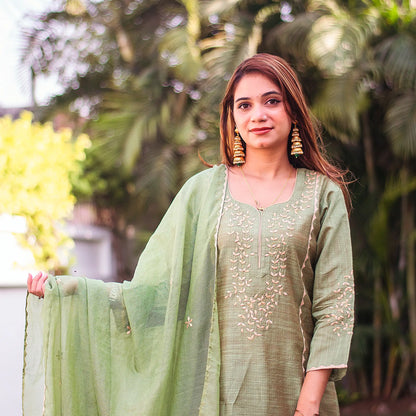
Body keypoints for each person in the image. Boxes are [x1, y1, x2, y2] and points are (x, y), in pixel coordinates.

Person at [25, 53, 354, 416]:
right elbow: (151, 294)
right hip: (211, 394)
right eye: (244, 105)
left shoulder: (323, 196)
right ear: (232, 120)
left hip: (295, 393)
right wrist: (71, 291)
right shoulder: (202, 193)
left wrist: (308, 404)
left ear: (292, 109)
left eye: (271, 101)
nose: (258, 115)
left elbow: (334, 307)